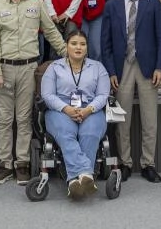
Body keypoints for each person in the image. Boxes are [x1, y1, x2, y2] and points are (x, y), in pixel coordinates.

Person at [0, 0, 67, 184]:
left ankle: (22, 164)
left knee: (23, 118)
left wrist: (68, 54)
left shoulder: (36, 1)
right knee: (4, 119)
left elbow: (50, 31)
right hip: (3, 68)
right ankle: (4, 165)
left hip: (29, 68)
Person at [100, 0, 161, 182]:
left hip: (148, 67)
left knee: (150, 120)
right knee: (122, 120)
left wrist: (160, 67)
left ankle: (148, 164)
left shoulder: (153, 2)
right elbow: (105, 43)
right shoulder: (111, 6)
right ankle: (125, 163)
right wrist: (111, 71)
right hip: (122, 68)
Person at [40, 30, 111, 199]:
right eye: (74, 43)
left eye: (82, 44)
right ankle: (85, 174)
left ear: (87, 48)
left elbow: (103, 95)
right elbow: (47, 95)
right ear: (66, 46)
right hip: (60, 110)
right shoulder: (54, 67)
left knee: (90, 133)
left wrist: (89, 109)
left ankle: (74, 180)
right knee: (66, 133)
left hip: (91, 110)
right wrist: (66, 109)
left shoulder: (98, 67)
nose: (78, 47)